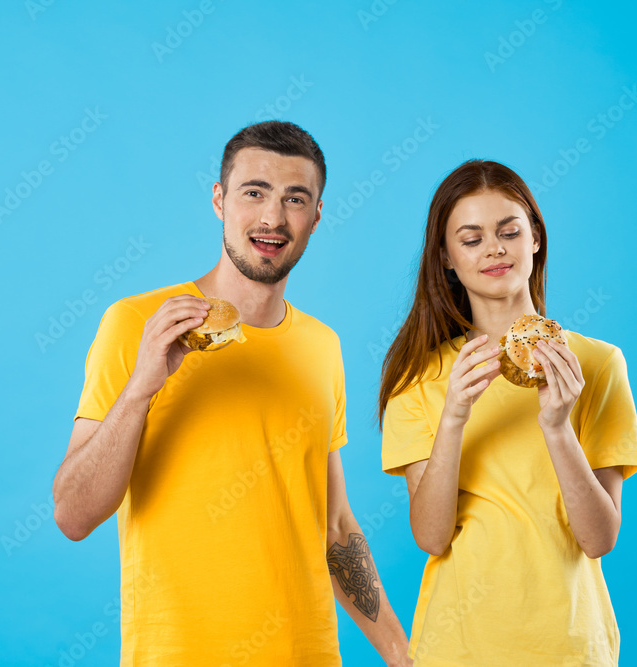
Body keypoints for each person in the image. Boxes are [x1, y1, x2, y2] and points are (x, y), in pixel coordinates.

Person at [52, 120, 412, 666]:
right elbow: (73, 515)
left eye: (295, 199)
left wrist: (402, 653)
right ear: (219, 200)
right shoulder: (138, 324)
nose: (272, 217)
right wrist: (140, 389)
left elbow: (334, 524)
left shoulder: (322, 346)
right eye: (254, 192)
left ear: (316, 217)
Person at [378, 159, 637, 666]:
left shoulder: (597, 365)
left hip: (570, 647)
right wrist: (454, 416)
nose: (495, 249)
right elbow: (431, 537)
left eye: (509, 231)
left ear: (536, 238)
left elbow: (598, 538)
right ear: (447, 259)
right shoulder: (420, 379)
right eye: (472, 238)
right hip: (457, 648)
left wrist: (557, 427)